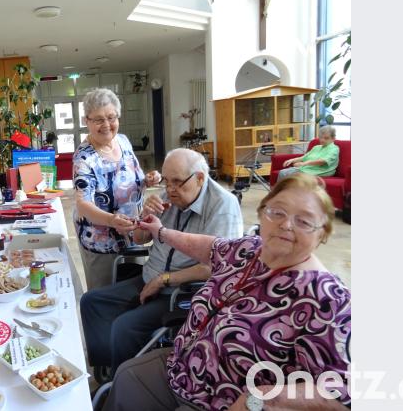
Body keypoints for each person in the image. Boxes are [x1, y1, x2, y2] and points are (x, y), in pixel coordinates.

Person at [103, 174, 351, 411]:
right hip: (182, 366)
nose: (286, 225)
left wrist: (261, 399)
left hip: (225, 400)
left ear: (322, 234)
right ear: (262, 213)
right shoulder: (249, 249)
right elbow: (208, 247)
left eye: (304, 221)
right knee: (126, 377)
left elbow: (342, 392)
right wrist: (161, 232)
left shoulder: (330, 299)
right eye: (277, 212)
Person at [80, 148, 242, 379]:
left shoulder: (223, 206)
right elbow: (140, 239)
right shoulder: (168, 197)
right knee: (92, 302)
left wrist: (163, 280)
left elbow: (216, 266)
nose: (170, 189)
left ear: (199, 178)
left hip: (182, 291)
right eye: (166, 181)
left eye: (177, 182)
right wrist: (143, 216)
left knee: (125, 327)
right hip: (152, 276)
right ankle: (107, 368)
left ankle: (121, 386)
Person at [73, 88, 160, 290]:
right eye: (98, 119)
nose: (106, 125)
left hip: (133, 233)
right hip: (100, 241)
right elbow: (83, 204)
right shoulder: (84, 158)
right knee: (103, 295)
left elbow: (131, 178)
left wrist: (148, 179)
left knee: (133, 290)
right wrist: (112, 221)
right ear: (87, 121)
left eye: (111, 117)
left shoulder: (123, 141)